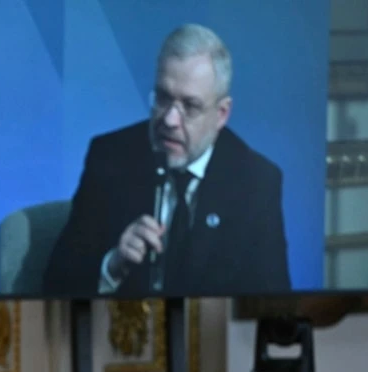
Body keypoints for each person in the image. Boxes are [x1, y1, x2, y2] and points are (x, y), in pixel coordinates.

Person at [42, 23, 290, 298]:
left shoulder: (256, 182)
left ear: (221, 114)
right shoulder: (110, 158)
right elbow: (56, 283)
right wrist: (112, 265)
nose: (170, 120)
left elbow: (272, 304)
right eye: (163, 98)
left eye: (190, 106)